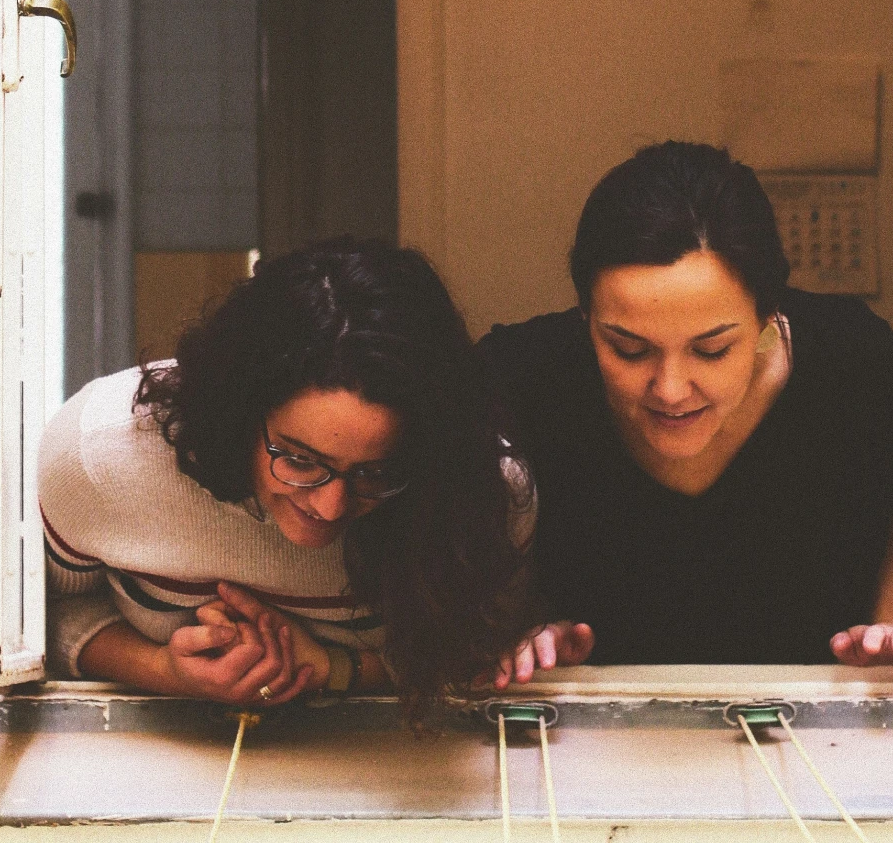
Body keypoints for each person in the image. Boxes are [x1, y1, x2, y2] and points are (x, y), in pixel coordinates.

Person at [481, 141, 893, 679]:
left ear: (767, 316)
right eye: (628, 348)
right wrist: (517, 631)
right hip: (587, 741)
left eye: (712, 350)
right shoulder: (527, 377)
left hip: (818, 733)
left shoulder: (851, 363)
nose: (670, 390)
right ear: (585, 317)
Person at [40, 239, 534, 722]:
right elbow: (38, 618)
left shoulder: (486, 492)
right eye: (301, 460)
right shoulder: (101, 451)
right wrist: (164, 670)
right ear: (239, 411)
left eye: (376, 472)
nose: (331, 506)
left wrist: (331, 669)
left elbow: (480, 649)